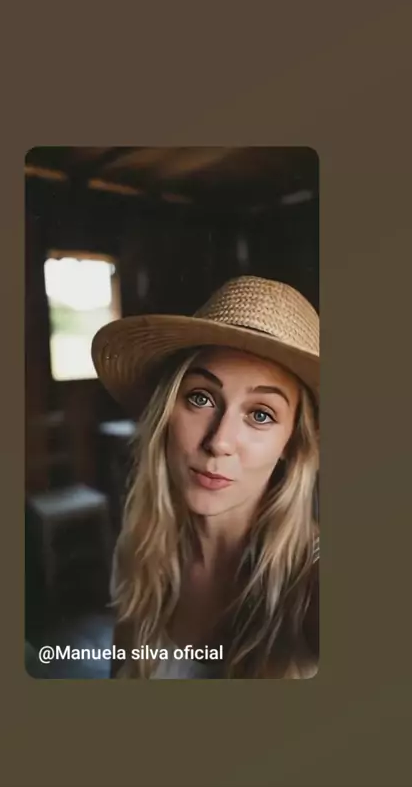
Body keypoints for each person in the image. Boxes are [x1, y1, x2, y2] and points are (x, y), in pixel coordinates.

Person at [92, 275, 319, 679]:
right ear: (167, 411)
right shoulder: (138, 549)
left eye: (261, 414)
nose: (219, 442)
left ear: (291, 442)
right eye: (201, 398)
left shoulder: (310, 580)